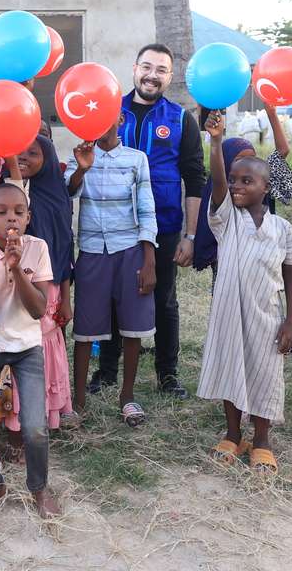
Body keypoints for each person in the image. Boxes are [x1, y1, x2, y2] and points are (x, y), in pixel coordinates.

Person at [93, 43, 206, 398]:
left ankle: (167, 374)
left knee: (164, 298)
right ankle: (107, 372)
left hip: (166, 224)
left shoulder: (179, 119)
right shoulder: (111, 111)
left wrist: (190, 234)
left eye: (161, 70)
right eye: (147, 67)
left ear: (169, 77)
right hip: (116, 224)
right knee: (114, 297)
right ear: (134, 68)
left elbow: (194, 178)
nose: (152, 75)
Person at [195, 111, 292, 471]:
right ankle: (232, 433)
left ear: (266, 188)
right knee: (231, 370)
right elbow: (220, 184)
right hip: (228, 314)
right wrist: (215, 140)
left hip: (266, 316)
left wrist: (290, 321)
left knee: (265, 374)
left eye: (248, 180)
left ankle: (261, 439)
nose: (238, 186)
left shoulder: (281, 228)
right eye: (235, 179)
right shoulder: (227, 221)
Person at [0, 183, 61, 520]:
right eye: (1, 213)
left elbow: (38, 310)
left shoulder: (38, 248)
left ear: (29, 217)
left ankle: (39, 487)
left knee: (34, 428)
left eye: (19, 212)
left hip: (27, 347)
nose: (11, 219)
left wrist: (16, 267)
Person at [65, 118, 158, 427]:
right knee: (85, 327)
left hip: (129, 249)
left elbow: (146, 209)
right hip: (92, 251)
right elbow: (69, 192)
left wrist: (149, 260)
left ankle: (127, 396)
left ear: (119, 119)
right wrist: (82, 168)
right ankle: (78, 402)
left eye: (107, 116)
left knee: (132, 326)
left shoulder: (136, 159)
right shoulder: (78, 156)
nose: (100, 124)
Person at [10, 136, 76, 435]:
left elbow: (64, 247)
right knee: (20, 353)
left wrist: (66, 298)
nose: (24, 156)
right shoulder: (12, 196)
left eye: (33, 153)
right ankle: (19, 419)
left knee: (46, 352)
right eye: (18, 151)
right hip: (15, 292)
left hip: (49, 291)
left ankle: (47, 415)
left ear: (47, 158)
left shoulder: (56, 194)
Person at [193, 102, 292, 276]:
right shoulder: (223, 193)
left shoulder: (258, 181)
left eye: (251, 159)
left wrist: (271, 112)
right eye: (238, 160)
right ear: (226, 163)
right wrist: (216, 140)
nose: (246, 166)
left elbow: (283, 151)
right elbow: (219, 176)